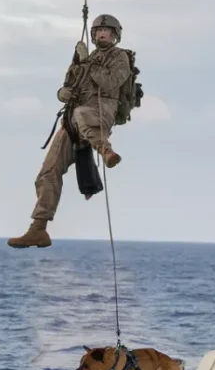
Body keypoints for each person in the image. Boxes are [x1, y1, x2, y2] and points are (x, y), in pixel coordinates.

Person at [8, 15, 133, 249]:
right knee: (48, 171)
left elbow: (108, 83)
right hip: (74, 114)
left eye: (107, 31)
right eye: (98, 30)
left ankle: (106, 151)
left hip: (100, 109)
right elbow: (69, 84)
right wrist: (62, 93)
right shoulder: (85, 58)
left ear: (116, 35)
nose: (102, 34)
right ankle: (38, 228)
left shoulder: (120, 57)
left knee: (82, 115)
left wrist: (88, 63)